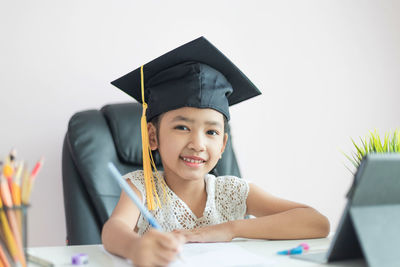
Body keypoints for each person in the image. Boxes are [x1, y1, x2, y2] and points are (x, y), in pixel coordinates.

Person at [101, 37, 330, 267]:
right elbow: (113, 230)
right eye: (182, 127)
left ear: (222, 145)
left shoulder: (232, 192)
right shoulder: (143, 188)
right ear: (153, 136)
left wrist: (230, 229)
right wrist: (136, 247)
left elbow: (317, 223)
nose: (198, 144)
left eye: (211, 132)